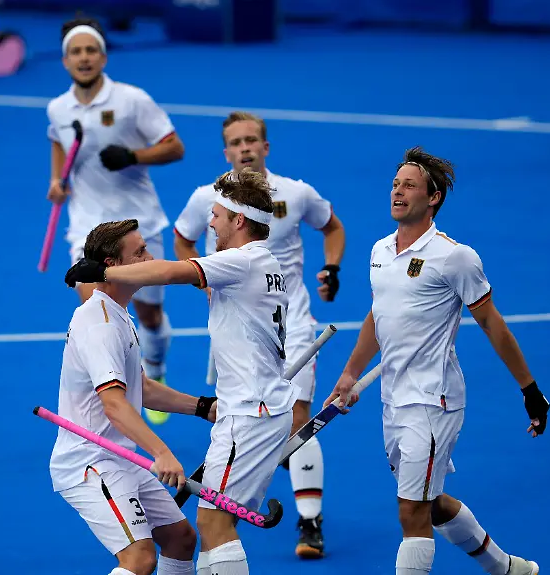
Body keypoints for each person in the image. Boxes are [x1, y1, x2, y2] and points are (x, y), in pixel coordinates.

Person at [323, 148, 549, 575]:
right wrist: (350, 373)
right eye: (395, 184)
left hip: (433, 401)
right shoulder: (380, 250)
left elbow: (492, 324)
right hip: (393, 398)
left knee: (411, 511)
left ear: (434, 198)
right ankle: (507, 569)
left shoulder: (454, 257)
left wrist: (530, 389)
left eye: (409, 186)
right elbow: (378, 315)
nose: (397, 192)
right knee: (430, 501)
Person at [65, 168, 297, 575]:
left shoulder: (240, 261)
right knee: (190, 535)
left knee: (213, 525)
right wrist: (202, 406)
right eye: (140, 251)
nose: (211, 223)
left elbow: (173, 272)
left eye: (217, 215)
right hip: (250, 409)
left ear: (238, 221)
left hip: (249, 411)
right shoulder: (265, 262)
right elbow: (132, 393)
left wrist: (102, 273)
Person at [172, 111, 346, 559]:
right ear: (226, 151)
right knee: (243, 412)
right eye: (236, 142)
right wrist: (205, 284)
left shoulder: (296, 193)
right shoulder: (206, 197)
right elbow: (182, 239)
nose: (245, 148)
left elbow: (332, 226)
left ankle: (309, 521)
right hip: (240, 331)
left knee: (297, 417)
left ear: (265, 147)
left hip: (292, 324)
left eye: (252, 140)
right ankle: (240, 490)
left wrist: (331, 268)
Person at [48, 219, 219, 575]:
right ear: (113, 266)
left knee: (180, 539)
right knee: (139, 559)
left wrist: (204, 408)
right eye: (140, 252)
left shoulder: (118, 312)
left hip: (120, 458)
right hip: (91, 465)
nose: (150, 257)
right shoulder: (101, 325)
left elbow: (142, 388)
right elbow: (114, 405)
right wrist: (162, 452)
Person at [46, 17, 186, 425]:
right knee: (99, 314)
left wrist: (134, 156)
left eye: (91, 50)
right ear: (65, 60)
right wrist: (57, 181)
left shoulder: (132, 100)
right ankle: (120, 394)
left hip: (140, 228)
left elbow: (174, 147)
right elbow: (59, 141)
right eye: (76, 52)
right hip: (87, 229)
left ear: (103, 57)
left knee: (149, 317)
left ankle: (154, 367)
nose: (84, 58)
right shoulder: (58, 108)